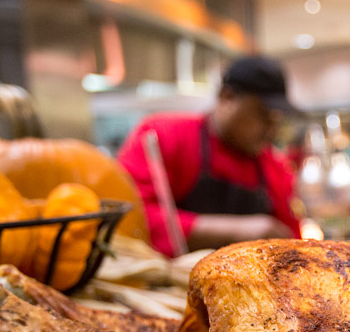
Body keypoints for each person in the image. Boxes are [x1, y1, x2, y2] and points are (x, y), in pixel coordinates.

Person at [118, 55, 302, 256]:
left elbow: (293, 243)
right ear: (227, 96)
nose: (271, 130)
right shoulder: (163, 137)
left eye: (277, 120)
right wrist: (236, 230)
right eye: (263, 115)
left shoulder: (273, 166)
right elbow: (130, 216)